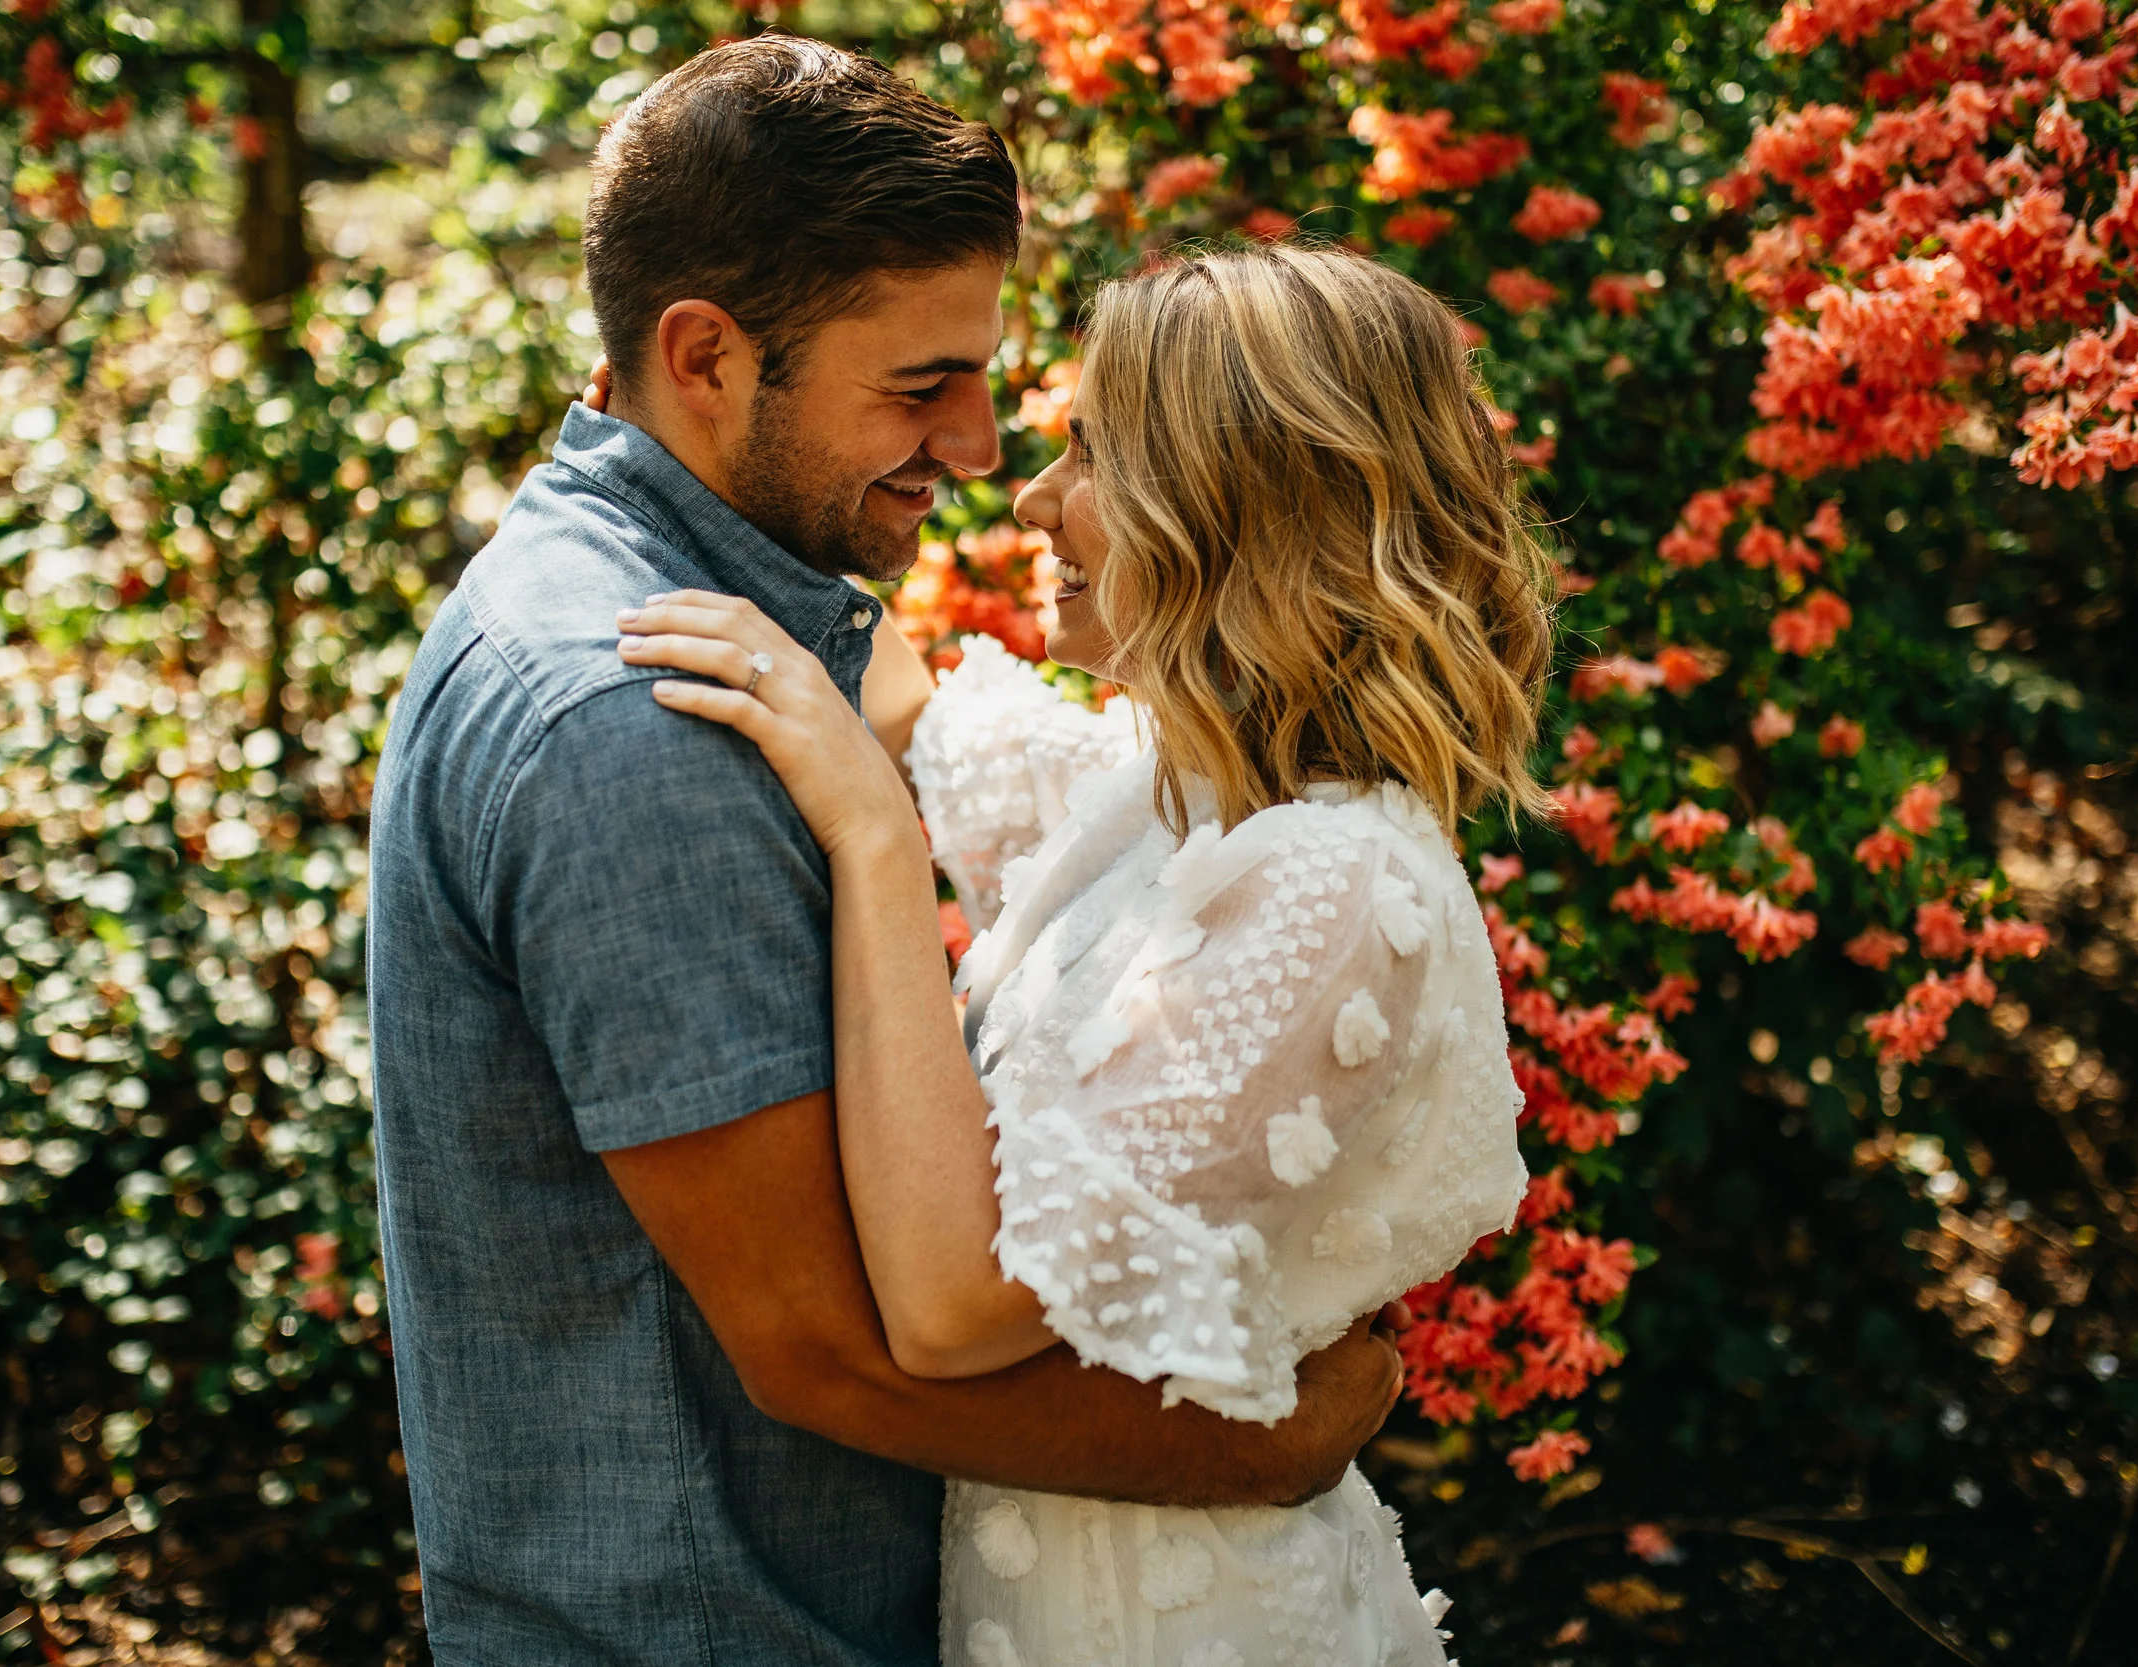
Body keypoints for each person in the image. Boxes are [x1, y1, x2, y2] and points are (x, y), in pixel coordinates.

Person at [366, 39, 1411, 1667]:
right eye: (921, 388)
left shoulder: (684, 608)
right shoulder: (640, 727)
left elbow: (945, 731)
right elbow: (829, 1352)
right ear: (704, 356)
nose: (984, 451)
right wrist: (1265, 1448)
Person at [614, 241, 1552, 1664]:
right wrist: (641, 465)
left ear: (1242, 500)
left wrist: (877, 843)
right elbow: (905, 700)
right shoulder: (1161, 789)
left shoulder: (1336, 881)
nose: (1036, 499)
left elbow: (948, 1310)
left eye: (1093, 455)